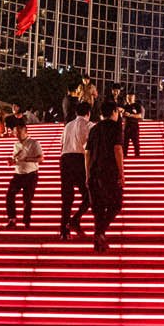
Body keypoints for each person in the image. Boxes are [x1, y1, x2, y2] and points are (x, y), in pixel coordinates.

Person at [85, 100, 125, 252]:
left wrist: (87, 174)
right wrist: (121, 173)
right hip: (109, 171)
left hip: (94, 172)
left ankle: (98, 243)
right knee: (116, 204)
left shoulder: (94, 128)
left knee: (99, 208)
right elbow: (117, 149)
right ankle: (100, 232)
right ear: (114, 112)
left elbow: (87, 153)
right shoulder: (116, 126)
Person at [58, 101, 93, 240]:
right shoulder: (89, 125)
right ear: (88, 113)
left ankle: (63, 231)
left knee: (67, 198)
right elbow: (89, 147)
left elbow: (62, 144)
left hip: (65, 160)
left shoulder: (68, 125)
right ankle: (75, 219)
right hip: (79, 159)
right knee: (89, 195)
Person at [6, 122, 43, 229]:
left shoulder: (34, 143)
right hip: (18, 174)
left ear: (25, 132)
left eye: (19, 132)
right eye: (15, 132)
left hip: (31, 174)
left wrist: (27, 159)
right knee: (10, 195)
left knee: (27, 199)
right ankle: (12, 219)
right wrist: (11, 161)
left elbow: (40, 158)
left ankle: (26, 220)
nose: (16, 135)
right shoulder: (16, 145)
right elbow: (15, 158)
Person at [122, 91, 144, 157]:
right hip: (127, 126)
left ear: (134, 97)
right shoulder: (125, 106)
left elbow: (140, 115)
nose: (129, 98)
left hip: (134, 127)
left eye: (131, 96)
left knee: (136, 144)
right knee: (125, 144)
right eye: (128, 97)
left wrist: (130, 115)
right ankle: (124, 157)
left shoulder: (137, 105)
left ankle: (137, 157)